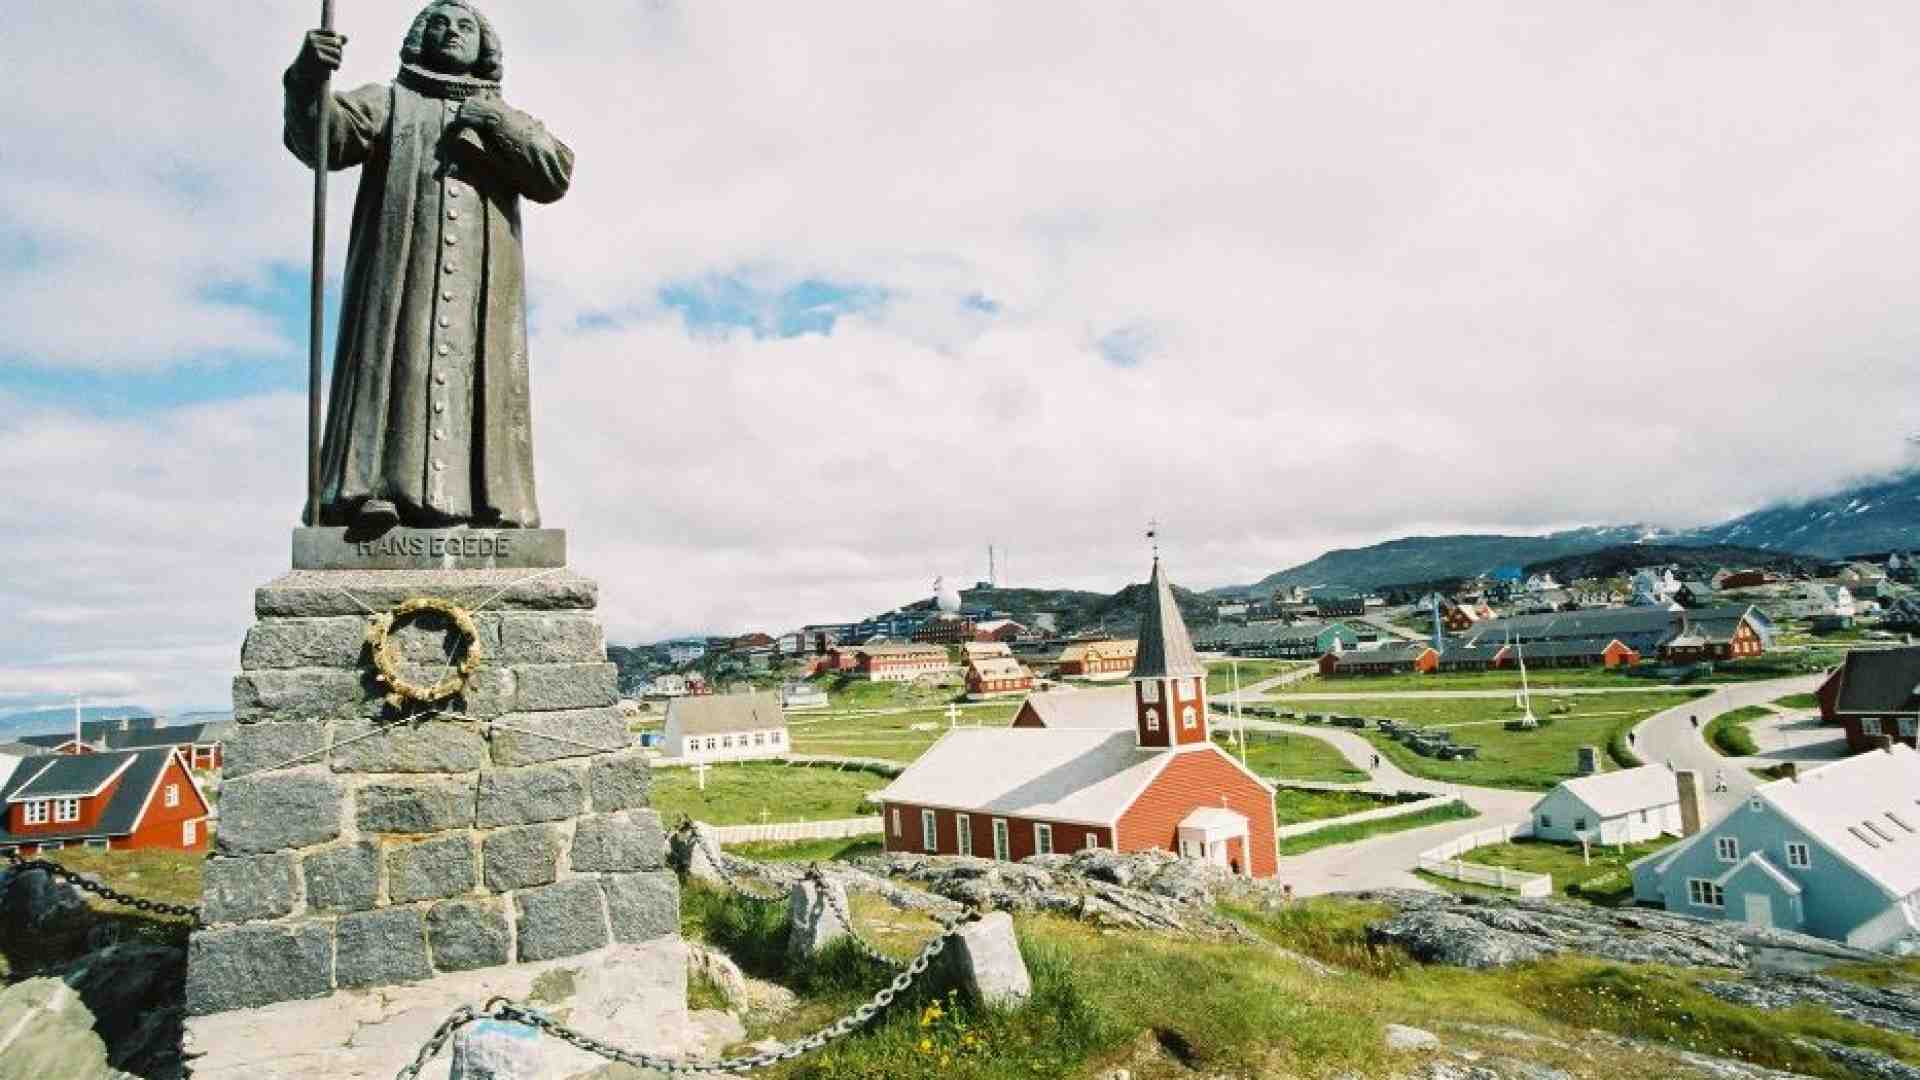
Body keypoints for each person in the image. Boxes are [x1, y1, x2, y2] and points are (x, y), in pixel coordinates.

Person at [285, 2, 575, 529]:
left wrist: (494, 119)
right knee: (397, 362)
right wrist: (308, 79)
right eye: (438, 23)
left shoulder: (503, 113)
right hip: (398, 272)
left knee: (477, 381)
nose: (451, 32)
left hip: (482, 291)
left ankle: (488, 504)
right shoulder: (390, 101)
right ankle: (371, 494)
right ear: (419, 37)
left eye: (465, 26)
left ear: (484, 45)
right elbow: (324, 139)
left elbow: (554, 174)